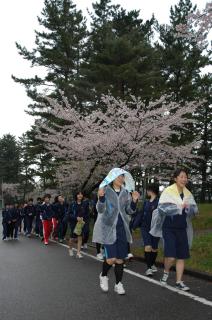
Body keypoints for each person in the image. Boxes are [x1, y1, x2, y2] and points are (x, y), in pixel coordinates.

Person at [93, 168, 140, 295]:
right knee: (111, 259)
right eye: (119, 176)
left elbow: (130, 211)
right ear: (112, 178)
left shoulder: (125, 192)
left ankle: (118, 284)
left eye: (123, 177)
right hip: (108, 229)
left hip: (122, 229)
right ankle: (103, 275)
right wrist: (101, 198)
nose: (121, 179)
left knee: (120, 260)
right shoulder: (105, 191)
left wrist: (134, 201)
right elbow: (100, 210)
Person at [153, 168, 198, 291]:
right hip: (169, 228)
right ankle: (166, 272)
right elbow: (162, 209)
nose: (184, 179)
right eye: (182, 176)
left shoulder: (188, 194)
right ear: (175, 178)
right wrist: (178, 207)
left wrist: (189, 208)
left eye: (185, 177)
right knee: (171, 256)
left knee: (181, 256)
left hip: (182, 228)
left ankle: (179, 281)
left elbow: (195, 212)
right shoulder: (168, 192)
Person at [140, 184, 160, 276]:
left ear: (151, 190)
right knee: (148, 246)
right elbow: (141, 214)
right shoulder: (146, 202)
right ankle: (148, 268)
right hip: (145, 227)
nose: (147, 192)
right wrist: (134, 225)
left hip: (156, 228)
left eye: (147, 190)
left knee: (154, 248)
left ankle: (152, 264)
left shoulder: (159, 202)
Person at [66, 191, 89, 259]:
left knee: (80, 237)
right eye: (78, 194)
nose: (80, 195)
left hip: (81, 223)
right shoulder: (72, 204)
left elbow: (87, 213)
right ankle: (70, 248)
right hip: (73, 222)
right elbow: (69, 214)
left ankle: (78, 253)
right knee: (72, 238)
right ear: (76, 195)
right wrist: (76, 217)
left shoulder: (85, 204)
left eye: (81, 194)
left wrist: (83, 219)